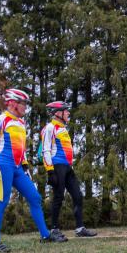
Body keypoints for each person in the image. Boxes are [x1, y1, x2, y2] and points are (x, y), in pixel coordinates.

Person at [0, 88, 66, 253]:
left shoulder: (21, 123)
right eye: (24, 104)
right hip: (2, 165)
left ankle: (45, 235)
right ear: (14, 104)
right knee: (2, 201)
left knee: (35, 197)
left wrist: (25, 166)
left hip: (17, 168)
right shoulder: (1, 120)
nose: (25, 108)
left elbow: (20, 148)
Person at [40, 101, 97, 240]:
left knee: (78, 195)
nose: (68, 113)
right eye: (66, 111)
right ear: (58, 113)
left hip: (67, 167)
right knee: (58, 198)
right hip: (57, 166)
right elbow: (45, 150)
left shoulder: (63, 128)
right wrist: (50, 171)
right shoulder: (50, 128)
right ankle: (54, 229)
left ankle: (79, 228)